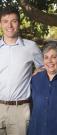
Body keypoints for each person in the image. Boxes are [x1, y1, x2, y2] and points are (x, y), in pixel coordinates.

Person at [0, 6, 43, 135]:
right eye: (5, 21)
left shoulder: (31, 47)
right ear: (0, 23)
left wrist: (37, 72)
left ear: (19, 23)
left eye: (14, 21)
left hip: (20, 110)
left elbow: (45, 67)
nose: (10, 25)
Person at [28, 41, 57, 135]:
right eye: (46, 57)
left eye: (54, 57)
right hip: (36, 130)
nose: (49, 61)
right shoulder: (35, 79)